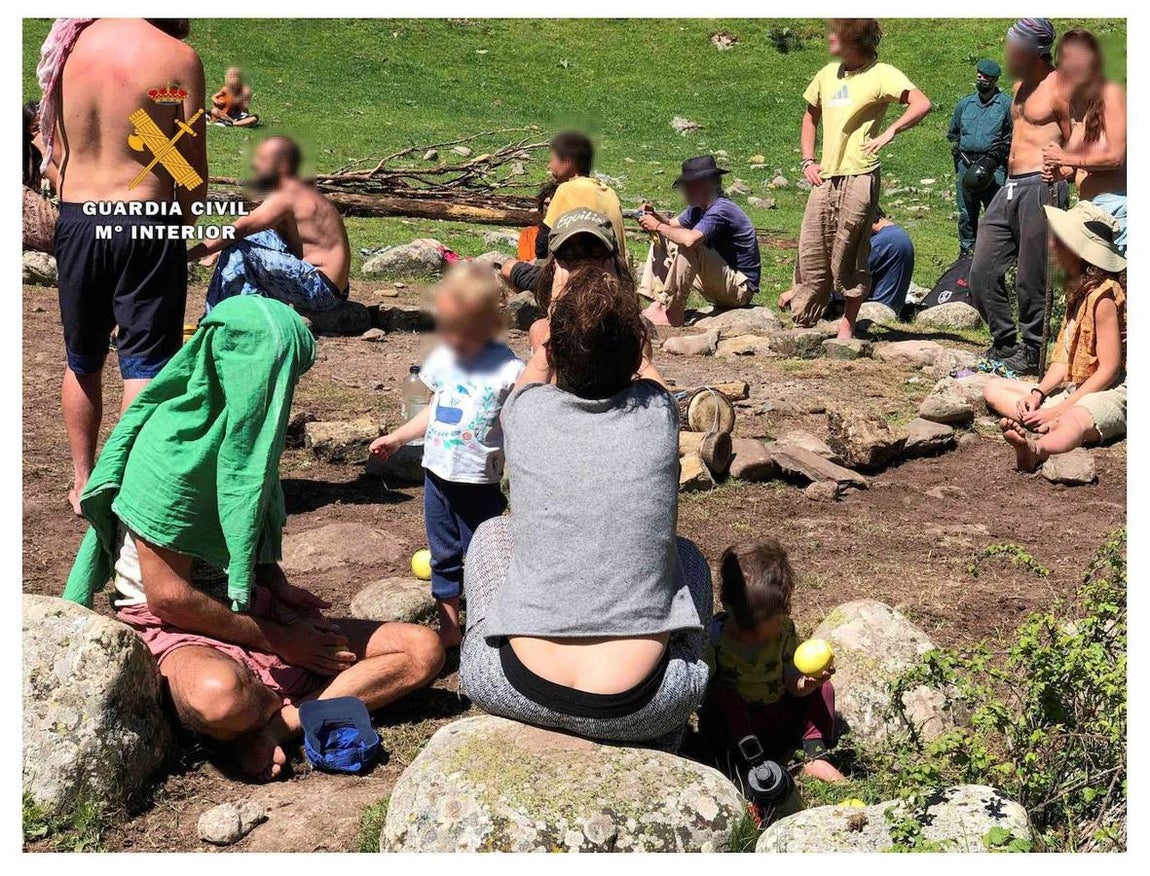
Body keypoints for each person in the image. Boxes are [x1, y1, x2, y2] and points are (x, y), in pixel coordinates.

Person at [63, 296, 444, 781]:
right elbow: (170, 597)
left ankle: (280, 723)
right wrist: (284, 640)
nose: (278, 392)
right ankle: (279, 700)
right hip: (179, 622)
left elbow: (243, 534)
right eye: (271, 376)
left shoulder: (248, 435)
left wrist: (277, 588)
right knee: (221, 699)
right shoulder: (171, 450)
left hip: (250, 607)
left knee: (421, 649)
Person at [459, 268, 712, 747]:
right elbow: (654, 381)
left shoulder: (525, 412)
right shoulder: (661, 414)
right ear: (638, 352)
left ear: (553, 352)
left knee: (493, 532)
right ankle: (661, 745)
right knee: (690, 558)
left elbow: (532, 378)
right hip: (648, 700)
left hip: (515, 683)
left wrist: (541, 345)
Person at [39, 18, 206, 515]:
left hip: (77, 217)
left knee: (82, 357)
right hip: (145, 216)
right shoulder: (174, 56)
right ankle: (125, 481)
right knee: (145, 363)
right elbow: (186, 161)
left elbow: (57, 153)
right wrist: (188, 217)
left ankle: (83, 481)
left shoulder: (69, 44)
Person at [368, 263, 524, 648]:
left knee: (484, 553)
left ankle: (489, 625)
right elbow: (433, 411)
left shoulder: (510, 370)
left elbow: (522, 423)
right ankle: (450, 627)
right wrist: (398, 438)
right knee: (443, 553)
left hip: (478, 480)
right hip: (437, 474)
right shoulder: (442, 360)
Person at [779, 19, 931, 340]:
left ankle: (847, 327)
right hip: (826, 176)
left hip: (860, 173)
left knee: (850, 248)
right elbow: (810, 116)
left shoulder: (881, 73)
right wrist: (808, 159)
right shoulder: (826, 74)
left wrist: (891, 131)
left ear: (853, 39)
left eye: (836, 32)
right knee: (812, 248)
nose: (829, 37)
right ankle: (805, 321)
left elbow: (922, 103)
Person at [699, 540, 843, 817]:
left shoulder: (784, 632)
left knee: (823, 690)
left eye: (765, 625)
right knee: (723, 698)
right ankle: (748, 766)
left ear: (784, 610)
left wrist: (806, 685)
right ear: (728, 606)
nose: (754, 637)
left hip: (777, 712)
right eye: (745, 628)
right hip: (739, 729)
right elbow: (705, 692)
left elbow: (792, 680)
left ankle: (813, 751)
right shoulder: (714, 638)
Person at [983, 202, 1125, 473]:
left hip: (1111, 390)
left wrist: (1059, 409)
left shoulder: (1103, 296)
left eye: (1060, 241)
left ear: (1079, 251)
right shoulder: (1077, 292)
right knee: (993, 389)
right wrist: (1038, 395)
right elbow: (1063, 360)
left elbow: (1108, 370)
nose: (1053, 246)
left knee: (1076, 419)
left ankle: (1038, 449)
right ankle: (1044, 421)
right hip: (1076, 385)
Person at [969, 18, 1071, 376]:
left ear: (1036, 51)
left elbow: (1081, 143)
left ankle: (1033, 351)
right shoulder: (1017, 86)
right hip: (1009, 185)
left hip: (1042, 186)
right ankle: (1004, 340)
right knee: (980, 270)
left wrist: (1065, 171)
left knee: (1032, 276)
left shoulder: (1062, 87)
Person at [189, 135, 351, 312]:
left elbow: (238, 229)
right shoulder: (300, 191)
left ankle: (214, 319)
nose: (254, 164)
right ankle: (252, 310)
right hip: (333, 288)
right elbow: (253, 230)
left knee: (241, 248)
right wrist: (218, 248)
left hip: (320, 289)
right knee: (258, 237)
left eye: (262, 159)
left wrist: (185, 256)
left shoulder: (287, 195)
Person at [635, 155, 761, 327]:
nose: (684, 191)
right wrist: (654, 216)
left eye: (688, 186)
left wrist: (657, 225)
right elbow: (672, 225)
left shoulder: (721, 209)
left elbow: (690, 241)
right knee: (665, 236)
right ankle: (658, 303)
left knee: (691, 246)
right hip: (721, 281)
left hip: (740, 289)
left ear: (704, 185)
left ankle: (674, 313)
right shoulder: (698, 208)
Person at [500, 131, 626, 292]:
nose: (549, 166)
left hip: (576, 283)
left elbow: (542, 246)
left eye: (552, 159)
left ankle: (543, 311)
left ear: (567, 161)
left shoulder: (567, 189)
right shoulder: (609, 192)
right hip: (614, 279)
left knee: (508, 267)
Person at [1042, 28, 1126, 254]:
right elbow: (1078, 164)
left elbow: (1115, 158)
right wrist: (1062, 173)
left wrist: (1065, 157)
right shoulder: (1077, 108)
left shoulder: (1111, 95)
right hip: (1088, 210)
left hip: (1116, 208)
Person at [947, 59, 1012, 257]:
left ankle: (995, 253)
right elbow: (954, 133)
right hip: (966, 165)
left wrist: (998, 157)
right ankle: (966, 251)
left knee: (996, 213)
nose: (980, 78)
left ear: (994, 80)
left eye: (985, 76)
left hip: (993, 167)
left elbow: (1012, 135)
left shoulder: (1006, 105)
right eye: (979, 74)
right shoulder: (965, 104)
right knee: (966, 213)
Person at [22, 100, 58, 253]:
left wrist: (46, 154)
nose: (43, 133)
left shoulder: (62, 149)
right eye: (36, 128)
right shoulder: (26, 155)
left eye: (46, 125)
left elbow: (65, 188)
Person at [864, 208, 914, 314]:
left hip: (876, 306)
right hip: (895, 304)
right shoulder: (899, 233)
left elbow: (857, 273)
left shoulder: (879, 242)